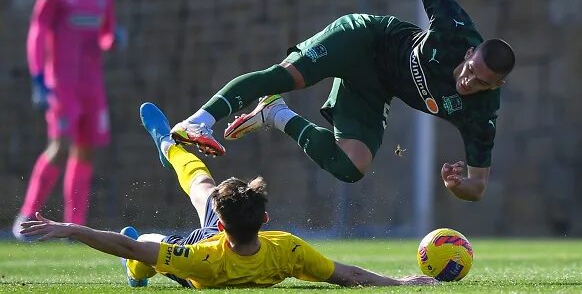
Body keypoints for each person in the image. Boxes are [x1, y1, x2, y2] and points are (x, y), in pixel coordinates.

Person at [171, 0, 515, 202]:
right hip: (366, 38)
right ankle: (198, 122)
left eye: (481, 82)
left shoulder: (481, 114)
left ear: (496, 86)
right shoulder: (456, 30)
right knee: (291, 76)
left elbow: (478, 187)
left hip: (375, 86)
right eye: (471, 69)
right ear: (469, 53)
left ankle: (275, 114)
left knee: (353, 166)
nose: (469, 80)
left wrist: (456, 185)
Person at [19, 102, 437, 289]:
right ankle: (167, 144)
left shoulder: (202, 255)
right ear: (266, 219)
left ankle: (137, 272)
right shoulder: (286, 250)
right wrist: (401, 281)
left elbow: (122, 242)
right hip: (230, 249)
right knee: (201, 186)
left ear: (218, 224)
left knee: (144, 246)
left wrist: (69, 227)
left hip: (197, 265)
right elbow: (350, 276)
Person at [13, 0, 120, 239]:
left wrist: (113, 39)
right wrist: (38, 79)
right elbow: (38, 32)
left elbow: (105, 33)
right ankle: (28, 217)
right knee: (59, 147)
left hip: (92, 86)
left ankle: (74, 225)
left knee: (85, 152)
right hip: (61, 83)